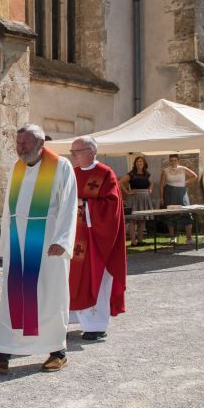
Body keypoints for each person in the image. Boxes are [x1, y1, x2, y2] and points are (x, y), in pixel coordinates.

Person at [0, 124, 77, 374]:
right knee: (13, 297)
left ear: (41, 144)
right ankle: (2, 354)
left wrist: (63, 240)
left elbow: (69, 205)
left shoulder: (61, 166)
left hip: (47, 243)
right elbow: (8, 208)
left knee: (49, 296)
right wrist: (5, 243)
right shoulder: (17, 167)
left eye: (26, 143)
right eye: (18, 143)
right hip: (17, 243)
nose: (21, 148)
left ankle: (58, 352)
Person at [68, 137, 126, 342]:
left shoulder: (105, 173)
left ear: (91, 151)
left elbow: (111, 206)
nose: (73, 155)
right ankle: (73, 318)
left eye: (77, 151)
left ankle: (96, 325)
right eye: (72, 151)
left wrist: (84, 204)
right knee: (72, 279)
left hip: (96, 240)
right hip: (73, 238)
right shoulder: (72, 173)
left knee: (96, 279)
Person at [159, 154, 198, 244]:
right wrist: (161, 197)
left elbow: (194, 176)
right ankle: (173, 238)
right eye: (171, 160)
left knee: (186, 212)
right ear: (169, 161)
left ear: (178, 161)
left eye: (175, 160)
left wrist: (185, 183)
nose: (173, 162)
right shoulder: (165, 171)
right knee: (171, 214)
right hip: (169, 193)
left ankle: (189, 238)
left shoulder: (183, 168)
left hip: (181, 193)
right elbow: (161, 185)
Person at [120, 155, 152, 245]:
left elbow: (151, 183)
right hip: (134, 198)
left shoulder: (147, 174)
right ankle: (133, 241)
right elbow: (120, 182)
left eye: (141, 161)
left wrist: (150, 190)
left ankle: (140, 240)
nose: (139, 163)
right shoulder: (131, 174)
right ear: (135, 163)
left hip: (144, 198)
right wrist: (127, 192)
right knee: (133, 219)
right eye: (137, 161)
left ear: (144, 163)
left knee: (142, 219)